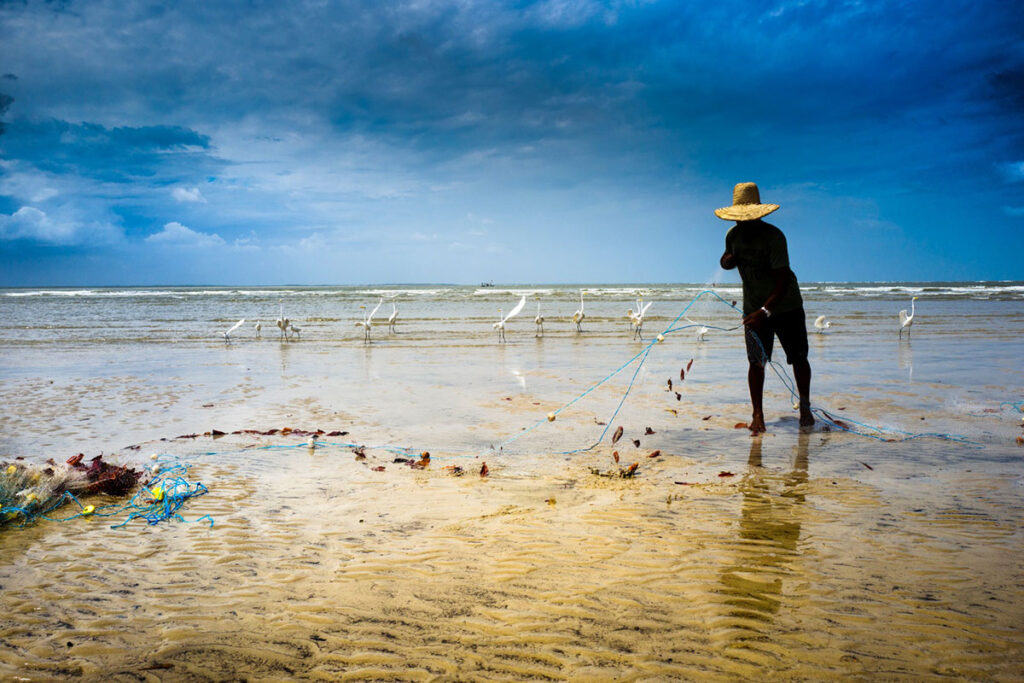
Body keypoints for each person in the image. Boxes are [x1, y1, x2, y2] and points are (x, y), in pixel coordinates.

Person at [716, 182, 813, 434]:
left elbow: (782, 280)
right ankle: (757, 414)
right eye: (738, 220)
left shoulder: (774, 237)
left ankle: (804, 406)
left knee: (799, 358)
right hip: (752, 308)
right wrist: (727, 261)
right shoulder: (733, 235)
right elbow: (727, 259)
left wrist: (765, 311)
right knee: (756, 362)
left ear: (758, 216)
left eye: (746, 220)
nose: (742, 224)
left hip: (786, 305)